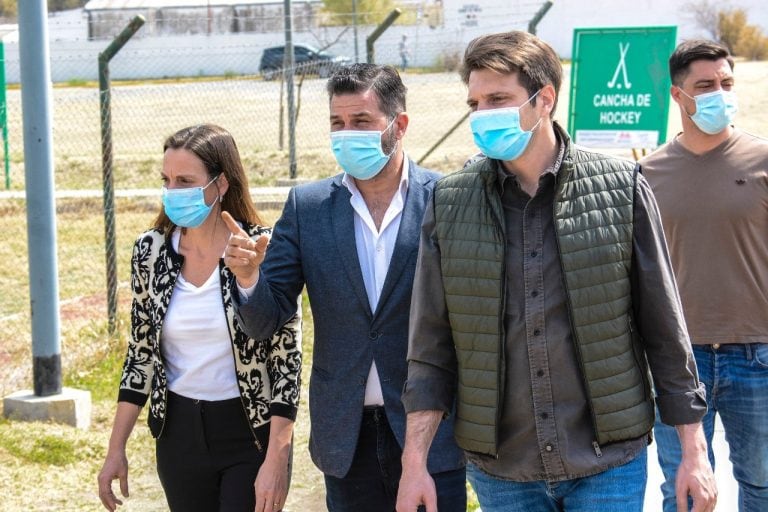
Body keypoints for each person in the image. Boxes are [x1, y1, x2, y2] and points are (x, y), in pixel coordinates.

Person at [395, 31, 717, 512]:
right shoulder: (450, 201)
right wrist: (414, 463)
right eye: (475, 102)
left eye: (498, 99)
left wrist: (694, 451)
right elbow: (431, 346)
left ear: (543, 98)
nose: (482, 114)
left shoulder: (620, 187)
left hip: (608, 462)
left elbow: (664, 330)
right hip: (503, 469)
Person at [223, 63, 466, 512]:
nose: (346, 134)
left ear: (399, 125)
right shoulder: (308, 206)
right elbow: (264, 321)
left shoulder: (447, 198)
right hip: (345, 436)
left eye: (361, 122)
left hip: (430, 432)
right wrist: (249, 279)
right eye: (337, 123)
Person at [96, 124, 302, 512]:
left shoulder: (261, 248)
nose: (173, 191)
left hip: (249, 434)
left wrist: (277, 459)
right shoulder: (150, 251)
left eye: (186, 181)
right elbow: (139, 354)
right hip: (178, 436)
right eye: (167, 180)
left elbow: (286, 364)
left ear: (221, 184)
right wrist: (115, 449)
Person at [640, 39, 768, 512]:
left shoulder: (762, 160)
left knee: (762, 486)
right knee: (685, 493)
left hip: (758, 356)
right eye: (706, 85)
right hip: (678, 362)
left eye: (727, 83)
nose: (720, 93)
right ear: (678, 95)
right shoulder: (647, 174)